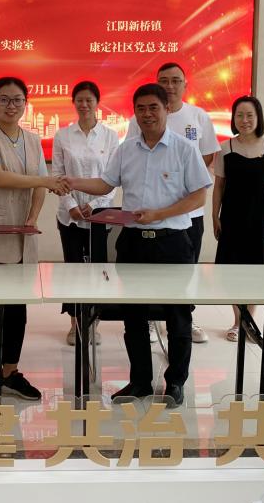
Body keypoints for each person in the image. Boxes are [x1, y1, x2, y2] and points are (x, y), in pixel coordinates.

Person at [68, 83, 211, 407]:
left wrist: (159, 214)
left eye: (153, 107)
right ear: (134, 113)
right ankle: (140, 381)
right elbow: (105, 184)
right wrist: (71, 181)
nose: (147, 114)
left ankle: (175, 382)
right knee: (133, 316)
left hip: (172, 243)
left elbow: (198, 196)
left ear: (166, 109)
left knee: (178, 316)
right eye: (141, 109)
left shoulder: (184, 149)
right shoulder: (126, 149)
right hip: (133, 243)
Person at [0, 76, 68, 402]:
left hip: (21, 237)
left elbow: (39, 185)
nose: (11, 105)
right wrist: (44, 181)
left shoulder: (32, 139)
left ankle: (10, 372)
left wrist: (33, 216)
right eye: (4, 99)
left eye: (17, 100)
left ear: (25, 104)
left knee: (17, 310)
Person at [126, 62, 221, 344]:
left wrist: (185, 177)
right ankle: (151, 319)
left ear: (185, 84)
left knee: (184, 272)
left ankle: (184, 318)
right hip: (149, 217)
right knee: (145, 278)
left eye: (175, 80)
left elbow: (207, 155)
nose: (170, 85)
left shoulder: (198, 116)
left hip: (188, 215)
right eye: (164, 80)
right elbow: (134, 154)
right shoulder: (139, 119)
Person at [212, 95, 264, 341]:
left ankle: (249, 321)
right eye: (239, 115)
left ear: (258, 118)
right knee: (232, 272)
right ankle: (238, 322)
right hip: (231, 218)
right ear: (233, 119)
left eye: (249, 115)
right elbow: (219, 186)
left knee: (257, 272)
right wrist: (215, 216)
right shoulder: (225, 148)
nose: (244, 120)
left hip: (259, 219)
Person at [50, 80, 118, 346]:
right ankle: (75, 324)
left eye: (89, 99)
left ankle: (94, 323)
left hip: (100, 215)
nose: (84, 104)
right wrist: (71, 205)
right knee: (74, 270)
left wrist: (97, 204)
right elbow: (57, 174)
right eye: (79, 99)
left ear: (97, 103)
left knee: (98, 269)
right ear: (74, 103)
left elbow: (114, 176)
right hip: (70, 216)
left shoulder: (110, 136)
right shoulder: (63, 135)